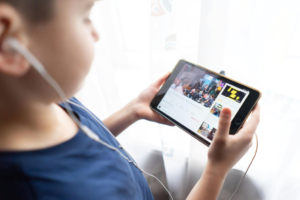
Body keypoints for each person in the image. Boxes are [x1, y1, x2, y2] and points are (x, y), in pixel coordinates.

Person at [0, 0, 260, 200]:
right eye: (84, 17)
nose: (96, 34)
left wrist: (133, 110)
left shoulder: (41, 97)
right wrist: (217, 169)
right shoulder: (65, 192)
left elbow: (83, 141)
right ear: (8, 44)